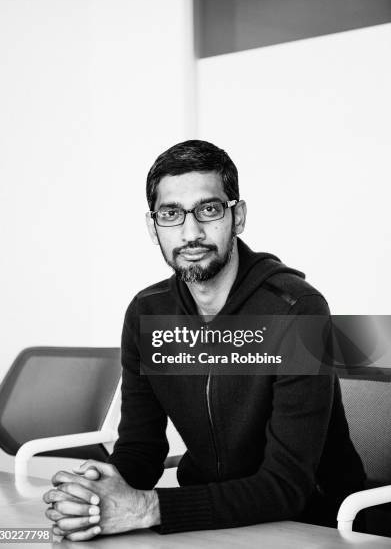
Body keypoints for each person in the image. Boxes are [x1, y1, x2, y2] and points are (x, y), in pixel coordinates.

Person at [43, 140, 365, 541]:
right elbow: (141, 449)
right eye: (171, 214)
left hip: (318, 525)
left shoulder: (296, 309)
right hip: (207, 523)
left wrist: (145, 508)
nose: (190, 232)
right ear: (152, 226)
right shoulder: (148, 314)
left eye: (209, 210)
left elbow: (287, 485)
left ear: (238, 216)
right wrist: (97, 492)